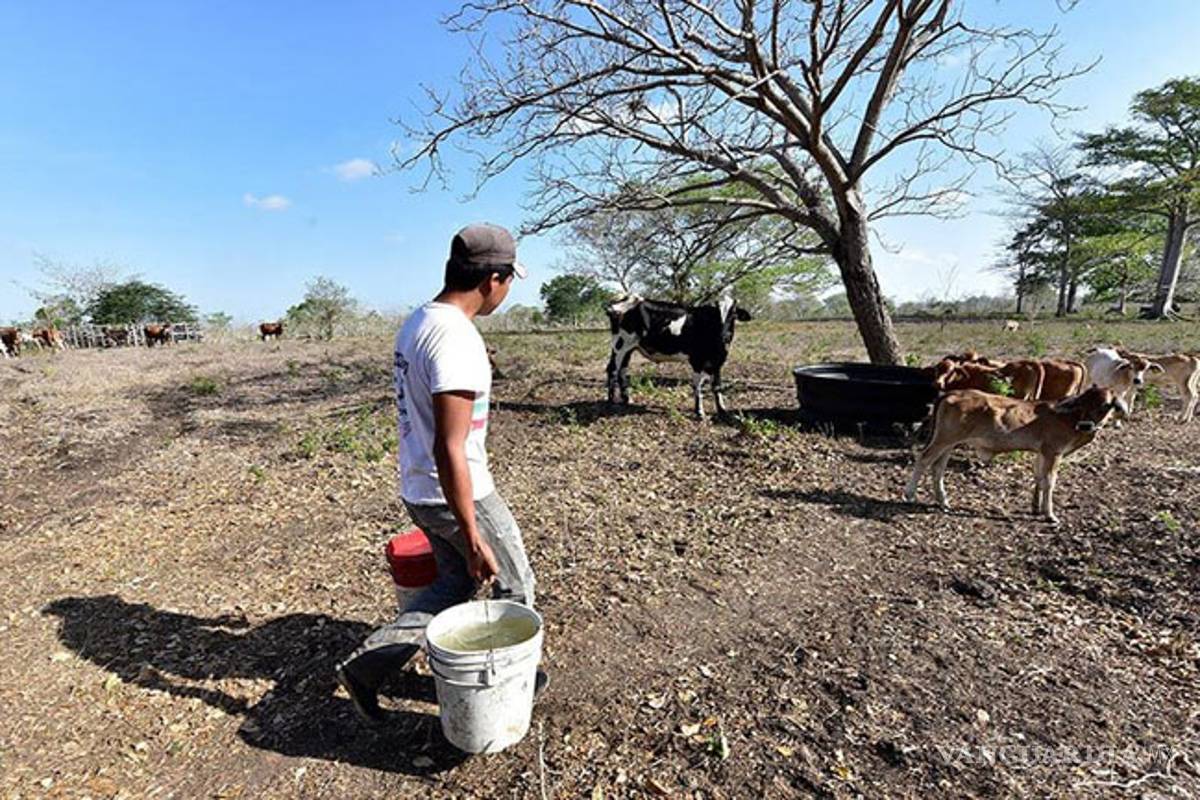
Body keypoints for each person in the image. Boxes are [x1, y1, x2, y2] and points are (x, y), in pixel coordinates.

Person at [335, 223, 544, 721]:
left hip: (419, 489)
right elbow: (450, 447)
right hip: (458, 493)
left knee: (452, 585)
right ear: (492, 279)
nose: (508, 292)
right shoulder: (456, 340)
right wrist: (472, 533)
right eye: (509, 280)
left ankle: (369, 666)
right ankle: (504, 682)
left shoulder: (418, 321)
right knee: (515, 585)